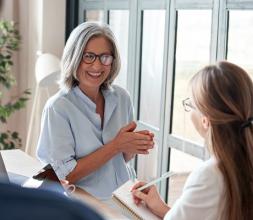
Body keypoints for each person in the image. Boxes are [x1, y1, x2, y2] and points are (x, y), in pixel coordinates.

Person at [36, 22, 154, 200]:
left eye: (105, 57)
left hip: (126, 198)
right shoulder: (58, 108)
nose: (97, 66)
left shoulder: (122, 97)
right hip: (86, 204)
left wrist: (135, 144)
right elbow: (63, 175)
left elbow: (122, 159)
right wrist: (116, 145)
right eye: (89, 56)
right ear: (74, 57)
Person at [132, 61, 253, 220]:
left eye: (191, 105)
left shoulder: (210, 176)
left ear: (205, 120)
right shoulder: (242, 165)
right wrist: (163, 209)